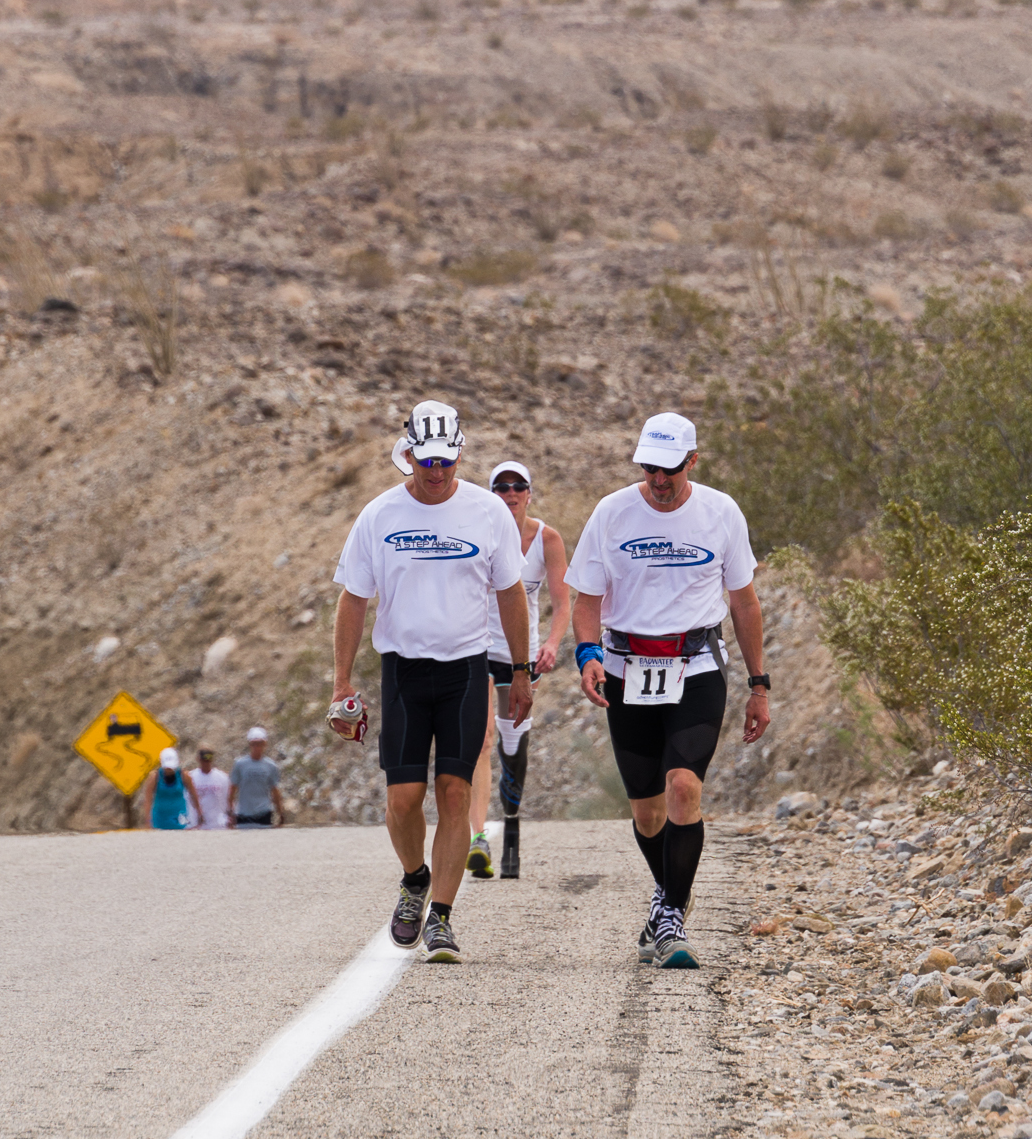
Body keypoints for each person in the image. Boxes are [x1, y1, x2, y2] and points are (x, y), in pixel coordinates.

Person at [328, 398, 532, 962]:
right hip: (404, 670)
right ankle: (414, 878)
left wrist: (519, 670)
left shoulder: (488, 512)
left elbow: (510, 594)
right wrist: (341, 682)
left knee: (455, 791)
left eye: (446, 462)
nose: (437, 472)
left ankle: (440, 916)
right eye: (427, 462)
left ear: (459, 453)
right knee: (403, 798)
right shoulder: (379, 516)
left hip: (466, 670)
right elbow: (353, 600)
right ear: (409, 454)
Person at [567, 410, 770, 969]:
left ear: (693, 461)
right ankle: (669, 892)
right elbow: (586, 601)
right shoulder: (611, 513)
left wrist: (759, 685)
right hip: (627, 667)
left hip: (697, 666)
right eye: (650, 469)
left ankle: (672, 916)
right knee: (648, 811)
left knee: (683, 788)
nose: (659, 481)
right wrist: (587, 655)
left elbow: (744, 602)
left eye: (671, 470)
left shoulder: (720, 513)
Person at [466, 459, 571, 880]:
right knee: (480, 739)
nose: (510, 495)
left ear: (529, 493)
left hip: (520, 655)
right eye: (501, 488)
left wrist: (551, 642)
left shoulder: (547, 539)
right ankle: (478, 839)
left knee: (514, 745)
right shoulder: (477, 532)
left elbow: (564, 602)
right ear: (492, 494)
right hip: (476, 649)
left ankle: (510, 823)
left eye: (518, 487)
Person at [227, 727, 285, 828]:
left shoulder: (270, 766)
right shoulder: (240, 764)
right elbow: (232, 789)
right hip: (244, 813)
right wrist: (230, 812)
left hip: (263, 813)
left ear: (265, 744)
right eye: (254, 744)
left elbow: (274, 791)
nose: (257, 747)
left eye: (260, 744)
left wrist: (280, 812)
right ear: (250, 745)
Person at [143, 747, 197, 829]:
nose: (169, 770)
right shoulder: (155, 777)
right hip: (160, 817)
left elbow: (193, 794)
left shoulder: (184, 776)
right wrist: (147, 820)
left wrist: (199, 812)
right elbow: (148, 799)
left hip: (179, 816)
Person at [189, 745, 230, 829]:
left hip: (217, 824)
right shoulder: (191, 777)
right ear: (199, 759)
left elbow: (227, 799)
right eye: (204, 760)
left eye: (209, 760)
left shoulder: (222, 777)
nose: (207, 763)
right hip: (198, 823)